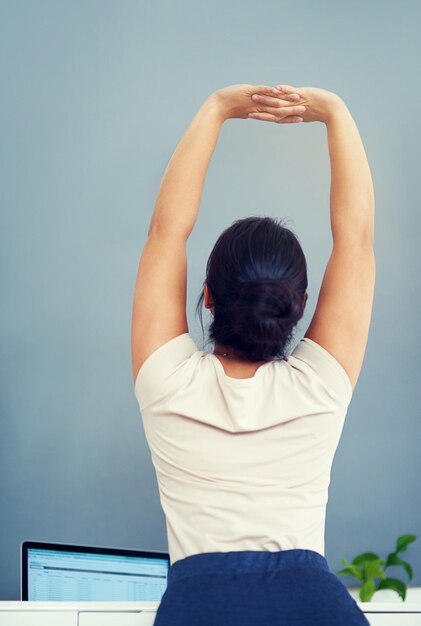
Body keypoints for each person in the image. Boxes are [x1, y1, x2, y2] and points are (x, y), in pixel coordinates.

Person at [131, 83, 374, 625]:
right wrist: (335, 111)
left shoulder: (166, 382)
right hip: (319, 612)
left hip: (201, 610)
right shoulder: (321, 386)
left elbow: (166, 232)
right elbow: (355, 237)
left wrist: (217, 108)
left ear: (208, 295)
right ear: (301, 304)